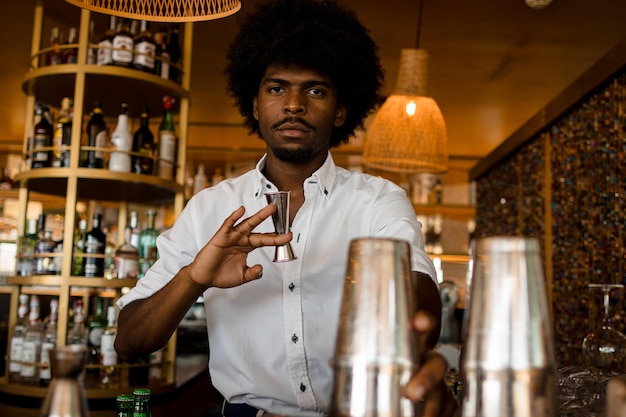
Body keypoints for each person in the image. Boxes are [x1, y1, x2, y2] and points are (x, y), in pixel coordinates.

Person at [115, 0, 456, 416]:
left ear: (341, 110)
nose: (293, 104)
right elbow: (129, 342)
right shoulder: (209, 208)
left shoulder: (378, 200)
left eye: (315, 90)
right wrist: (194, 278)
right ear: (255, 105)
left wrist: (401, 325)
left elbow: (419, 296)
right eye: (276, 88)